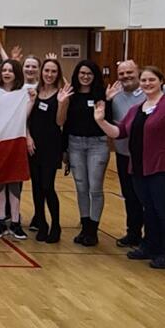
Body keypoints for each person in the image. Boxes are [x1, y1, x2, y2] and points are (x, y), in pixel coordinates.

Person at [93, 66, 165, 269]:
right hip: (140, 167)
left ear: (161, 81)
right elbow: (118, 132)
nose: (147, 84)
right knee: (149, 209)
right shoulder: (136, 109)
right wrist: (100, 121)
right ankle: (150, 246)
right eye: (144, 80)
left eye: (151, 80)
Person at [60, 59, 108, 246]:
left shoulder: (102, 95)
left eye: (89, 73)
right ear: (77, 75)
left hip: (97, 144)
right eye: (82, 73)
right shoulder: (71, 95)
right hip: (75, 144)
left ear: (94, 76)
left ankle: (93, 230)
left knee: (95, 187)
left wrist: (109, 101)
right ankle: (85, 224)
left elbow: (108, 120)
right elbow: (66, 125)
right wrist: (64, 149)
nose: (85, 77)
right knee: (81, 187)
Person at [26, 59, 70, 243]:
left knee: (47, 187)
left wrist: (61, 103)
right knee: (36, 188)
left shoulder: (61, 94)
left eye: (53, 71)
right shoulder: (33, 91)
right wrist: (28, 137)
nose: (49, 74)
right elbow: (24, 117)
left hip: (51, 146)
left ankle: (56, 225)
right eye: (47, 70)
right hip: (33, 145)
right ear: (41, 72)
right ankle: (41, 223)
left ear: (57, 73)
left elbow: (60, 122)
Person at [0, 59, 27, 240]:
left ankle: (16, 222)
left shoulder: (23, 92)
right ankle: (1, 220)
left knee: (15, 182)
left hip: (16, 140)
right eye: (4, 70)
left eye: (11, 70)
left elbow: (25, 117)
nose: (7, 73)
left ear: (17, 73)